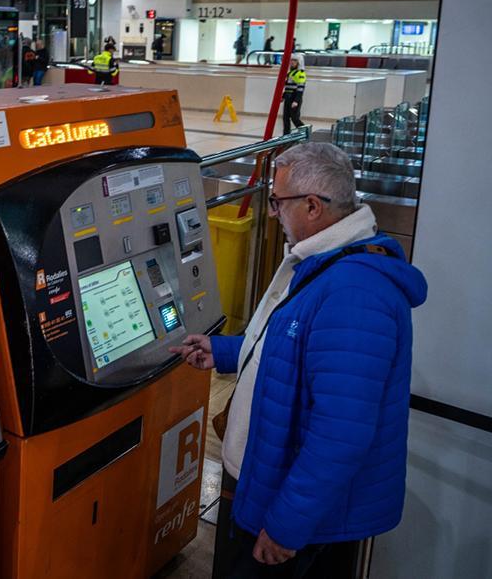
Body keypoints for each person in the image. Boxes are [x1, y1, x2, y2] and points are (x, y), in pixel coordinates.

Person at [171, 142, 426, 579]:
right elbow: (294, 347)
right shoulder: (327, 262)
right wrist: (225, 351)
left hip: (300, 517)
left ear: (312, 206)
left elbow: (340, 433)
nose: (273, 213)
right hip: (271, 482)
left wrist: (287, 526)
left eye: (277, 202)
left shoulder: (354, 292)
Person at [281, 54, 307, 134]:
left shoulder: (301, 74)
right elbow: (288, 87)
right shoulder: (290, 73)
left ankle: (305, 132)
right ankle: (286, 135)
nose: (292, 62)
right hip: (288, 97)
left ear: (299, 62)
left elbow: (300, 89)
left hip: (294, 98)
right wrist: (283, 96)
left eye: (295, 60)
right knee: (285, 118)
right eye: (291, 60)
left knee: (295, 118)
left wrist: (296, 101)